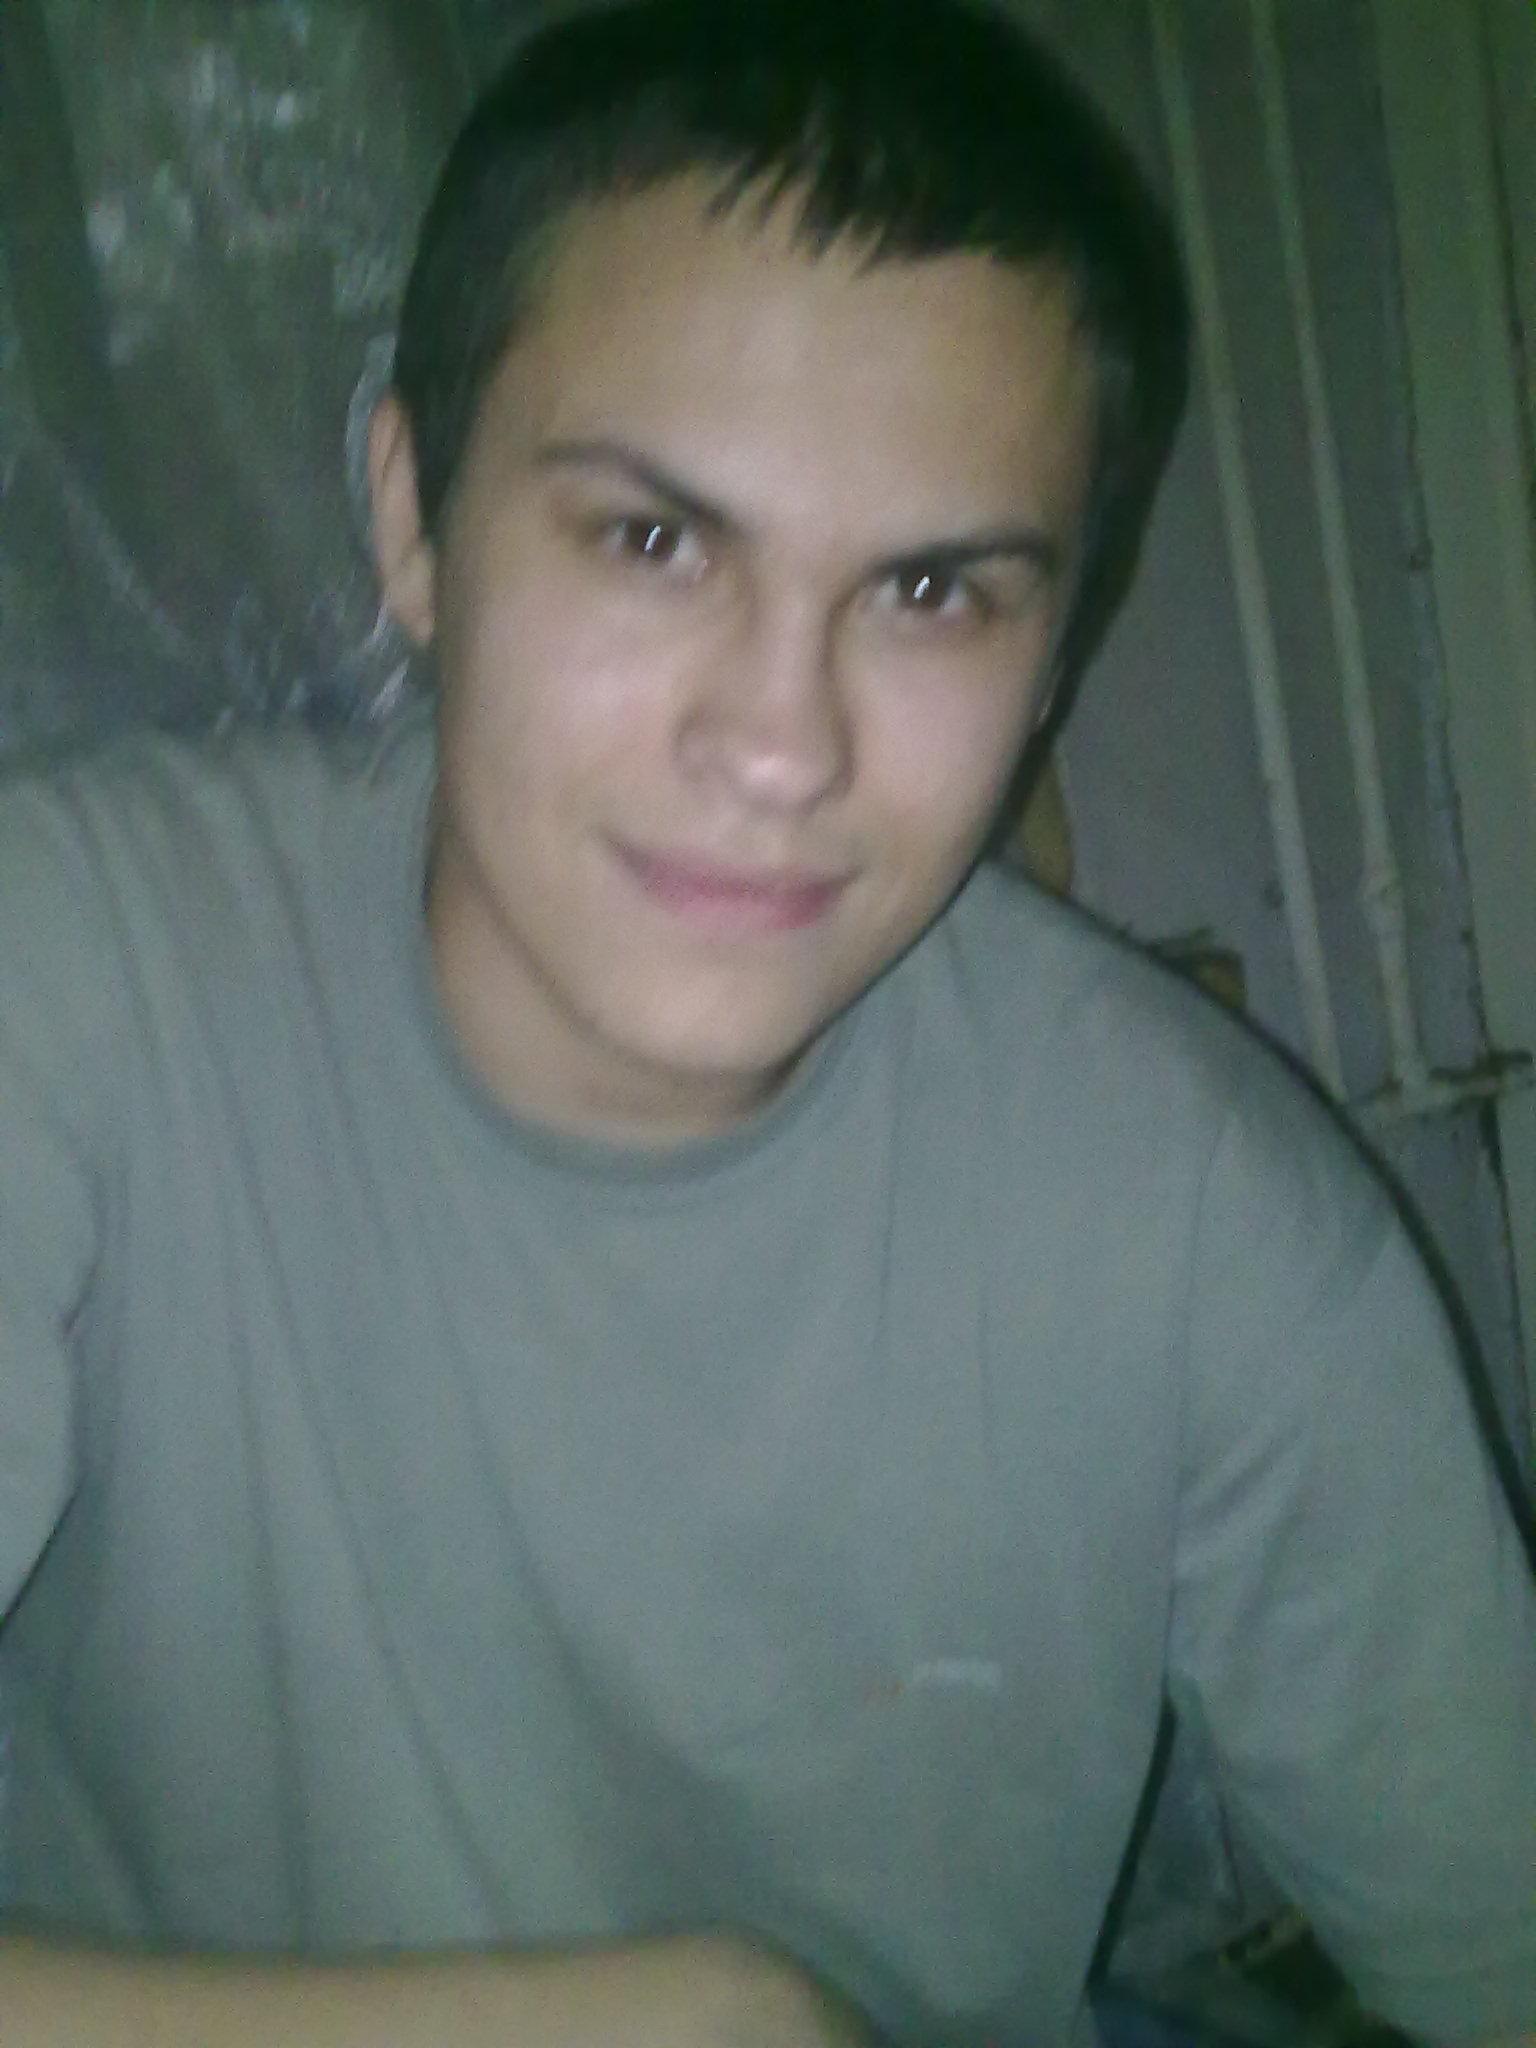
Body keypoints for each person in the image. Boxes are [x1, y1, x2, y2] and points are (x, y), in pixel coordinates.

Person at [0, 1, 1531, 2043]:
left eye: (931, 595)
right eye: (653, 541)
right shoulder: (74, 979)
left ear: (1054, 653)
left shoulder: (1213, 1224)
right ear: (413, 520)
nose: (782, 742)